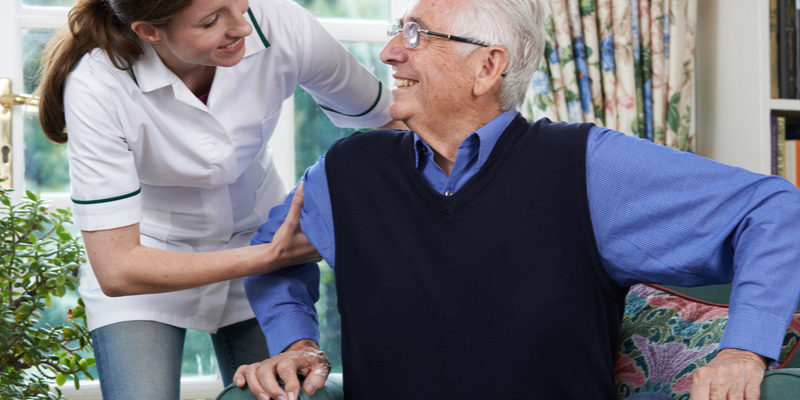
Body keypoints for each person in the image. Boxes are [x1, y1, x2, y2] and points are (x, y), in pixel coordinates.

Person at [235, 0, 800, 399]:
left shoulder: (588, 165)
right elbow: (271, 250)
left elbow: (773, 208)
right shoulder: (347, 169)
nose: (387, 53)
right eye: (396, 30)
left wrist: (743, 351)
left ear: (487, 66)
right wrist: (296, 342)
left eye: (415, 34)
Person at [35, 0, 393, 398]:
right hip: (151, 259)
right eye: (211, 20)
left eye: (240, 5)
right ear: (150, 32)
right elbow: (118, 269)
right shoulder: (98, 84)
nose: (242, 27)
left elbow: (391, 121)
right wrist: (273, 255)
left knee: (286, 394)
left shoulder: (279, 24)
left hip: (259, 238)